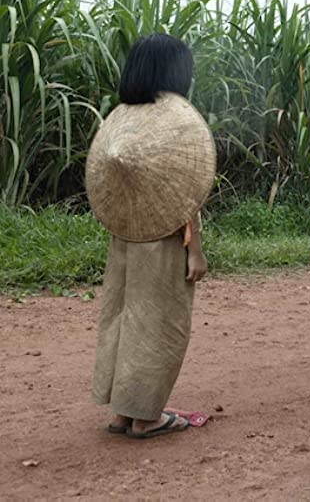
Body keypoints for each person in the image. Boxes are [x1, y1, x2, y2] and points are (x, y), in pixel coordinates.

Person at [89, 34, 211, 438]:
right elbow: (184, 193)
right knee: (160, 325)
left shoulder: (121, 118)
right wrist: (195, 249)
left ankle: (123, 413)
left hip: (124, 237)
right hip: (163, 240)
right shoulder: (175, 120)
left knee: (124, 320)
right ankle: (147, 418)